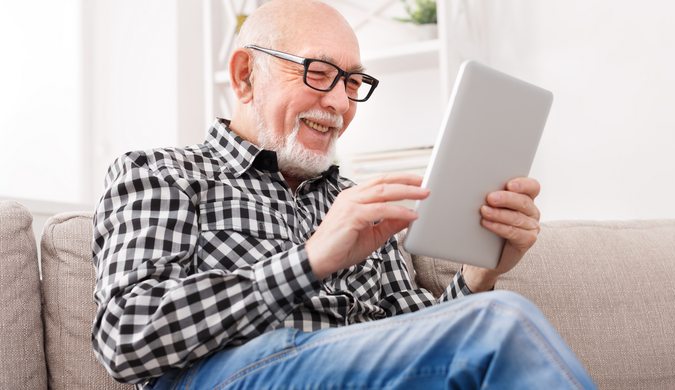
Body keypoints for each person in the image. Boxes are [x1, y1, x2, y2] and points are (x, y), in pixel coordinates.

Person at [91, 0, 597, 389]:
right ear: (246, 75)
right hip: (228, 374)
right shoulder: (162, 173)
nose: (338, 102)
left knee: (499, 308)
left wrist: (480, 273)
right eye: (318, 72)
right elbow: (125, 335)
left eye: (353, 82)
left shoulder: (359, 203)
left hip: (353, 370)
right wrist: (309, 260)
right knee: (504, 321)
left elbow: (417, 341)